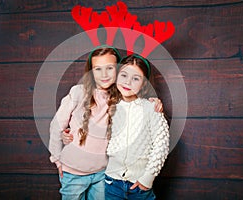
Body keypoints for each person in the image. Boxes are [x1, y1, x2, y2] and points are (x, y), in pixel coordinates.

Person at [49, 46, 163, 200]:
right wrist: (56, 157)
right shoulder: (77, 93)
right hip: (74, 172)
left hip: (104, 173)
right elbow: (56, 126)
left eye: (109, 68)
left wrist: (153, 102)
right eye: (97, 69)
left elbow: (136, 105)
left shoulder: (120, 98)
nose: (104, 75)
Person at [104, 54, 170, 200]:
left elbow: (162, 145)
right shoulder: (108, 107)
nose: (128, 82)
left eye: (136, 78)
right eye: (124, 75)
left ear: (144, 83)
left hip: (140, 185)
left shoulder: (152, 108)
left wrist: (148, 177)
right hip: (111, 182)